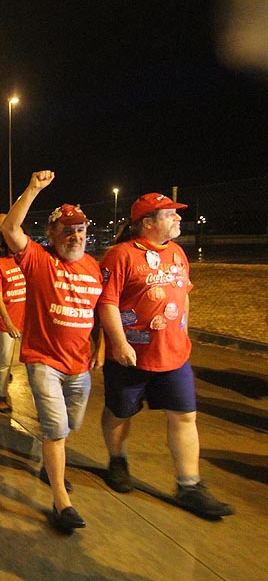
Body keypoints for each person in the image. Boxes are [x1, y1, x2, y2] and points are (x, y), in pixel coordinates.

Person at [98, 193, 233, 519]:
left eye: (176, 214)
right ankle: (118, 460)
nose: (177, 219)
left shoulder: (177, 253)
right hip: (131, 357)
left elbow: (183, 295)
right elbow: (107, 303)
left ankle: (189, 485)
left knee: (185, 416)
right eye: (170, 214)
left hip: (174, 355)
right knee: (120, 413)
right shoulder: (120, 255)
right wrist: (119, 343)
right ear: (147, 222)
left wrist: (183, 330)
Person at [1, 171, 103, 534]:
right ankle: (61, 501)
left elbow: (101, 310)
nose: (75, 237)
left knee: (69, 425)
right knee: (56, 428)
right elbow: (12, 230)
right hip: (43, 361)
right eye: (67, 231)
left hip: (79, 365)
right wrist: (32, 189)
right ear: (53, 236)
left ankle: (50, 464)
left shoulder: (93, 268)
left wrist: (102, 345)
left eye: (80, 231)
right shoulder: (40, 262)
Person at [0, 233, 26, 413]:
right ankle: (1, 396)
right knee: (5, 361)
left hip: (26, 319)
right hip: (5, 322)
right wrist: (9, 323)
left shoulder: (23, 260)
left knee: (33, 363)